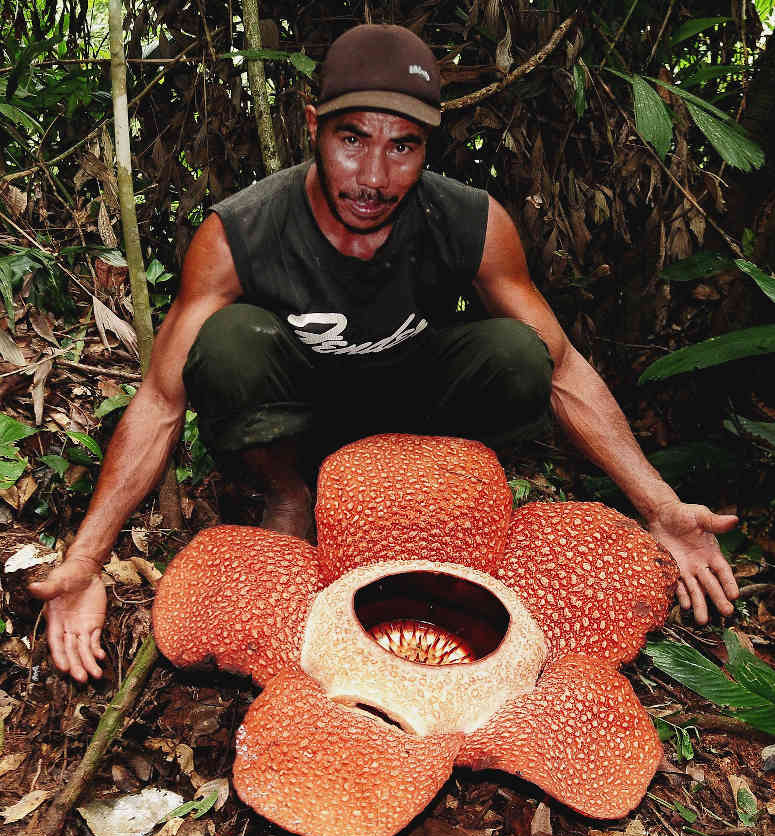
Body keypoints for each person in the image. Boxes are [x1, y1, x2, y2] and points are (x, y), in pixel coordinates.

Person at [29, 24, 740, 682]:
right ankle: (288, 495)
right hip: (297, 422)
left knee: (516, 350)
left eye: (402, 146)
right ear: (312, 127)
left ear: (430, 147)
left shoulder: (469, 222)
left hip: (414, 425)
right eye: (352, 139)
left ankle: (437, 514)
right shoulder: (241, 233)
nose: (373, 175)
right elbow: (159, 400)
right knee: (226, 344)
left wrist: (660, 506)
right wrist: (87, 558)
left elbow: (561, 370)